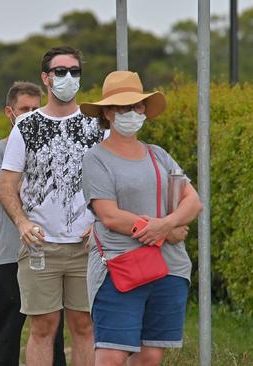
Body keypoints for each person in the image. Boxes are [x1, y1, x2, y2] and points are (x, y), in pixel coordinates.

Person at [80, 71, 202, 366]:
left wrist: (167, 224)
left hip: (169, 267)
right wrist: (163, 229)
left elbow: (193, 201)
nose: (132, 113)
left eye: (137, 106)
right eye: (123, 108)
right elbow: (109, 215)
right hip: (120, 267)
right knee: (111, 355)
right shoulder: (96, 158)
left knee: (150, 356)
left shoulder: (158, 154)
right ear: (108, 113)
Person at [0, 46, 103, 366]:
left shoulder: (96, 124)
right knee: (43, 327)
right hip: (40, 244)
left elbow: (112, 181)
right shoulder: (26, 126)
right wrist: (21, 223)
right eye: (61, 72)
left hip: (86, 244)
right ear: (46, 78)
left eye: (75, 71)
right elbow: (7, 185)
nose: (68, 78)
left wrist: (100, 221)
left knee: (84, 326)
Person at [0, 81, 66, 366]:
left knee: (52, 332)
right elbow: (7, 191)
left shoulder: (55, 149)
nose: (29, 115)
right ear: (9, 112)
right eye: (23, 110)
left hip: (50, 253)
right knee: (7, 333)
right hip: (8, 254)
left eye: (34, 109)